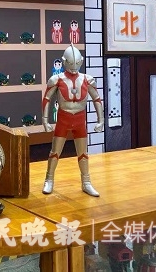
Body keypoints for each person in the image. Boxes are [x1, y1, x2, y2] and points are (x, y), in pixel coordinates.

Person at [41, 44, 104, 197]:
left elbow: (96, 99)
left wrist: (101, 119)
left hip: (80, 119)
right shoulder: (56, 79)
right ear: (64, 62)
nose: (74, 67)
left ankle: (86, 181)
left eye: (76, 63)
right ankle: (49, 179)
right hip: (64, 118)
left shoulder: (87, 79)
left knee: (83, 153)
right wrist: (45, 120)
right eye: (70, 63)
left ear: (81, 61)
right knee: (55, 152)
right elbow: (47, 99)